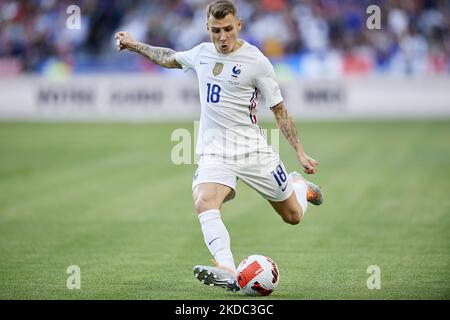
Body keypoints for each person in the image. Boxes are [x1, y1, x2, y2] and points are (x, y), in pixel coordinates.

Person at [115, 0, 323, 293]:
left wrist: (299, 152)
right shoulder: (200, 53)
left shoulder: (257, 61)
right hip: (215, 151)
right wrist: (134, 44)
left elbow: (279, 110)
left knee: (292, 216)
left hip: (253, 150)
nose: (222, 37)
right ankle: (226, 267)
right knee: (204, 201)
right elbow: (168, 57)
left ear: (239, 25)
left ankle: (298, 185)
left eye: (228, 29)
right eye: (216, 30)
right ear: (207, 28)